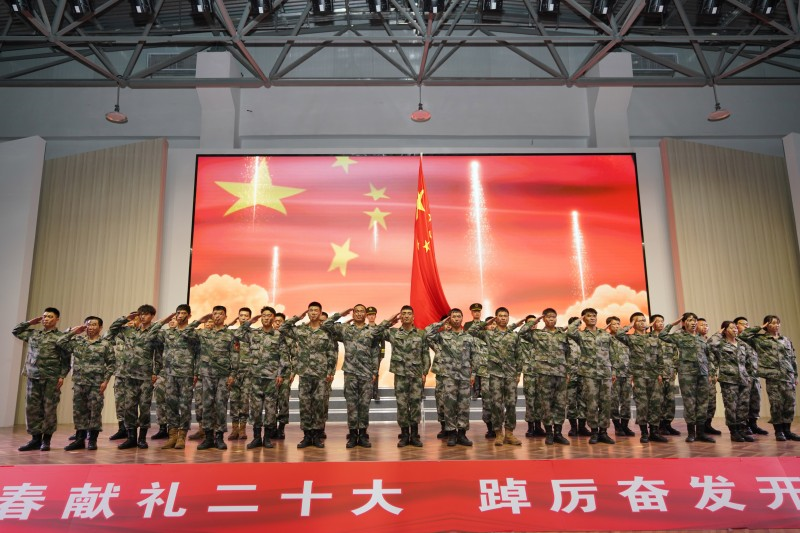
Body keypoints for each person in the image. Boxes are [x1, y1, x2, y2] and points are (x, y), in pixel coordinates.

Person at [323, 305, 386, 448]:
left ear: (366, 314)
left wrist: (374, 372)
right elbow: (326, 325)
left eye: (361, 311)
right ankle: (352, 435)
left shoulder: (371, 331)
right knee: (351, 406)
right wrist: (341, 314)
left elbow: (375, 352)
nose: (359, 314)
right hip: (350, 373)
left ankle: (362, 435)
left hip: (366, 373)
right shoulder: (346, 329)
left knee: (364, 405)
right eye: (356, 311)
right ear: (353, 314)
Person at [280, 302, 337, 449]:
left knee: (319, 405)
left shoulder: (326, 332)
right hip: (305, 373)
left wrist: (330, 372)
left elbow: (331, 352)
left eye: (316, 310)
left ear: (320, 313)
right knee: (305, 405)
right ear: (307, 313)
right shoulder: (300, 330)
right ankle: (306, 436)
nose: (313, 313)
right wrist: (297, 318)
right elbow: (282, 328)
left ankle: (317, 436)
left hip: (320, 374)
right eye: (310, 310)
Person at [13, 308, 70, 452]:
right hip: (33, 376)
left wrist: (62, 376)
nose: (46, 319)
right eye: (44, 316)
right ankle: (35, 439)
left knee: (49, 409)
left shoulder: (60, 337)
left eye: (50, 316)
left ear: (57, 319)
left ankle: (46, 440)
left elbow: (66, 360)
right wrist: (29, 323)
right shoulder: (34, 334)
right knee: (32, 409)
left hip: (51, 378)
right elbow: (16, 331)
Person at [107, 305, 163, 450]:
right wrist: (125, 318)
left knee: (144, 408)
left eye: (146, 314)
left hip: (145, 377)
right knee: (129, 408)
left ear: (152, 316)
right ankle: (131, 438)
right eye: (140, 314)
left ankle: (142, 439)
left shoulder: (155, 333)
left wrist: (155, 372)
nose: (142, 316)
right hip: (129, 376)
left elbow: (158, 355)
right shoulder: (129, 331)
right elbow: (111, 331)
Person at [57, 316, 114, 451]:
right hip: (79, 382)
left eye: (94, 325)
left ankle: (92, 440)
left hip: (96, 384)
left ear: (100, 327)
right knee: (79, 412)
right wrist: (73, 331)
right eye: (88, 324)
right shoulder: (78, 341)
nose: (91, 327)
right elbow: (60, 342)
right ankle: (79, 440)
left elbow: (111, 364)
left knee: (95, 412)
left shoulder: (105, 344)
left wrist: (105, 381)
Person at [467, 307, 522, 446]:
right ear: (496, 318)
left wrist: (518, 373)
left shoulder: (514, 336)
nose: (503, 318)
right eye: (500, 316)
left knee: (511, 404)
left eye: (505, 316)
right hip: (495, 375)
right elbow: (471, 331)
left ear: (508, 318)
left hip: (510, 374)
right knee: (496, 405)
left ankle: (509, 433)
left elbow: (519, 355)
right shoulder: (488, 334)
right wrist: (486, 323)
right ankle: (498, 433)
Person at [739, 315, 799, 441]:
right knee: (776, 404)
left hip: (788, 375)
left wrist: (795, 375)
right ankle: (779, 431)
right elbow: (743, 335)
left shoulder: (785, 340)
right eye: (773, 323)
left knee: (790, 404)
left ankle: (787, 431)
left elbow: (792, 358)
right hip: (773, 376)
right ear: (767, 325)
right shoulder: (759, 339)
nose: (776, 325)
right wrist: (760, 327)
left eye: (778, 323)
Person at [517, 309, 571, 445]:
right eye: (548, 317)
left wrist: (568, 371)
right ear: (544, 319)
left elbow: (568, 354)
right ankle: (549, 433)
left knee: (560, 404)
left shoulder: (563, 335)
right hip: (544, 374)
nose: (552, 319)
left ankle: (558, 433)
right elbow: (522, 332)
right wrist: (534, 321)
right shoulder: (537, 334)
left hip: (560, 374)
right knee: (546, 404)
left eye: (554, 317)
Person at [236, 306, 286, 449]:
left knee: (270, 409)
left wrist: (281, 374)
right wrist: (249, 322)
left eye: (269, 315)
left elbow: (283, 356)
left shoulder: (279, 335)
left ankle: (267, 438)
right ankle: (257, 438)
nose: (266, 318)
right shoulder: (254, 333)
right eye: (263, 315)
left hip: (271, 378)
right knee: (255, 410)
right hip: (255, 377)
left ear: (273, 318)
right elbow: (238, 334)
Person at [189, 306, 239, 451]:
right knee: (207, 406)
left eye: (220, 314)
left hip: (223, 376)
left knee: (221, 406)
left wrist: (233, 375)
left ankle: (219, 437)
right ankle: (208, 437)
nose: (217, 316)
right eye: (215, 314)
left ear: (225, 317)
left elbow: (235, 356)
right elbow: (186, 333)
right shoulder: (203, 333)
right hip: (206, 375)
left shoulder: (230, 335)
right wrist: (199, 321)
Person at [426, 309, 478, 447]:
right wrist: (441, 323)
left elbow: (474, 356)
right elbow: (427, 333)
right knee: (449, 405)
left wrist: (473, 374)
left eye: (458, 316)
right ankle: (452, 433)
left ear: (462, 318)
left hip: (464, 376)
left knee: (464, 405)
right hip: (449, 376)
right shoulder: (442, 336)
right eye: (453, 316)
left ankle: (462, 434)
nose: (456, 319)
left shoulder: (469, 337)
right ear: (450, 319)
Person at [660, 313, 714, 443]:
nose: (693, 322)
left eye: (695, 320)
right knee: (690, 403)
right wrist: (673, 323)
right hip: (687, 374)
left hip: (703, 374)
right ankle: (691, 433)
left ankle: (701, 433)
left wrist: (711, 373)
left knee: (703, 403)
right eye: (690, 320)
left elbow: (708, 356)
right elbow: (663, 335)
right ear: (684, 323)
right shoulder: (679, 336)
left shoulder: (701, 338)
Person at [381, 306, 430, 447]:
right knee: (402, 405)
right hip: (401, 375)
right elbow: (377, 331)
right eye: (404, 314)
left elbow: (425, 354)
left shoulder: (421, 334)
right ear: (401, 317)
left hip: (416, 375)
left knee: (415, 405)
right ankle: (404, 435)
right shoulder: (393, 333)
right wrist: (389, 320)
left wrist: (424, 372)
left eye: (409, 314)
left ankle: (414, 435)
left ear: (413, 317)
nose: (406, 316)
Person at [567, 308, 617, 445]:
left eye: (594, 315)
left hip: (605, 373)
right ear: (584, 318)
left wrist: (614, 371)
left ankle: (603, 432)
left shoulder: (605, 334)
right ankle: (594, 432)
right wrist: (579, 319)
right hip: (588, 374)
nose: (592, 318)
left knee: (606, 403)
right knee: (592, 404)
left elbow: (612, 353)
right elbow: (570, 331)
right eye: (589, 316)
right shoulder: (581, 335)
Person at [615, 313, 667, 443]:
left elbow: (660, 357)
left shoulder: (654, 338)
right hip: (639, 376)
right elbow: (619, 334)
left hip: (654, 375)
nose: (642, 322)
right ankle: (644, 433)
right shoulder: (631, 338)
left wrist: (660, 373)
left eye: (644, 320)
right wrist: (630, 325)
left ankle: (654, 432)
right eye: (639, 321)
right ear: (634, 323)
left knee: (655, 404)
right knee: (642, 404)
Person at [156, 305, 198, 450]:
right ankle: (172, 435)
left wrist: (196, 373)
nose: (180, 315)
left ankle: (181, 437)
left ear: (189, 315)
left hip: (186, 373)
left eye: (183, 313)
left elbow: (198, 353)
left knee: (185, 406)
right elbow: (151, 333)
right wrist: (165, 320)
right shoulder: (168, 333)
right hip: (169, 374)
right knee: (170, 405)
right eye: (178, 313)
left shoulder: (193, 334)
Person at [710, 321, 754, 442]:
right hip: (729, 380)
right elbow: (710, 344)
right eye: (731, 328)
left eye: (735, 328)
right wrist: (718, 333)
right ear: (725, 330)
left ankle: (742, 430)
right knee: (731, 407)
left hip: (744, 379)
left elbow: (751, 359)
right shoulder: (720, 344)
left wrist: (750, 375)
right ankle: (734, 432)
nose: (735, 330)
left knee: (743, 406)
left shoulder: (742, 344)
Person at [733, 316, 768, 435]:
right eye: (743, 324)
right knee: (744, 402)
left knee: (755, 401)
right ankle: (744, 425)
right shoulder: (737, 338)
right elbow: (745, 333)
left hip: (754, 375)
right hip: (743, 376)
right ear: (736, 326)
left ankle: (753, 424)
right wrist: (760, 327)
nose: (746, 326)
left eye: (747, 324)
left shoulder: (752, 340)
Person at [651, 314, 681, 436]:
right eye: (658, 321)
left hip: (669, 373)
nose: (661, 323)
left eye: (662, 321)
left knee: (670, 400)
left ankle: (667, 424)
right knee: (659, 400)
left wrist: (675, 369)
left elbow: (675, 355)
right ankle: (658, 426)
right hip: (656, 374)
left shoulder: (668, 338)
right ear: (652, 323)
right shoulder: (649, 338)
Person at [516, 315, 545, 438]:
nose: (533, 324)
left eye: (535, 322)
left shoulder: (542, 336)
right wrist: (518, 373)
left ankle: (538, 426)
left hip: (541, 373)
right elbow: (518, 357)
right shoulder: (521, 337)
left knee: (540, 401)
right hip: (529, 374)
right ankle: (530, 427)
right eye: (530, 323)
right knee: (530, 401)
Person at [228, 307, 253, 441]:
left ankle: (242, 429)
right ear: (238, 317)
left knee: (244, 401)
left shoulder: (254, 334)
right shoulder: (232, 333)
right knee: (233, 400)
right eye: (241, 315)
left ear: (250, 318)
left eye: (246, 316)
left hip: (248, 372)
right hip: (234, 372)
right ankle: (234, 429)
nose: (243, 318)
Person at [607, 316, 635, 438]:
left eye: (618, 324)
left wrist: (632, 372)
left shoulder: (625, 338)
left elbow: (632, 355)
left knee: (626, 401)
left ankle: (625, 425)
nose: (617, 326)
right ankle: (617, 426)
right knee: (614, 401)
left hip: (627, 373)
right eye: (614, 324)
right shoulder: (607, 338)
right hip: (614, 375)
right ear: (608, 326)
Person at [565, 317, 589, 437]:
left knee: (583, 401)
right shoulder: (565, 338)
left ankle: (582, 427)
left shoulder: (584, 338)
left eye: (579, 324)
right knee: (571, 401)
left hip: (584, 374)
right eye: (576, 325)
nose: (578, 327)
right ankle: (573, 427)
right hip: (570, 374)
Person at [697, 318, 722, 436]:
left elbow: (715, 359)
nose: (705, 327)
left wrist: (714, 373)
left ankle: (708, 425)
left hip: (711, 376)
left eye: (706, 325)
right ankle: (700, 428)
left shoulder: (710, 341)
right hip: (701, 376)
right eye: (702, 325)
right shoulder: (696, 341)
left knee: (711, 402)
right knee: (702, 403)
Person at [272, 312, 293, 440]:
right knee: (271, 402)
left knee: (283, 402)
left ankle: (281, 428)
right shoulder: (268, 337)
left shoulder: (289, 339)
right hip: (271, 375)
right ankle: (272, 427)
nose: (277, 323)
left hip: (285, 375)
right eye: (276, 321)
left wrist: (293, 373)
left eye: (280, 321)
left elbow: (295, 356)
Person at [464, 303, 483, 400]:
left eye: (478, 311)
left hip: (482, 350)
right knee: (473, 370)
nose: (477, 313)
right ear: (471, 312)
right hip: (471, 349)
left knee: (482, 370)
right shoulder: (467, 325)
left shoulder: (485, 324)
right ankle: (475, 391)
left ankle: (482, 390)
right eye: (475, 311)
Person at [366, 307, 385, 402]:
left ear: (375, 316)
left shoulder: (379, 329)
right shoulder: (364, 328)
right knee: (366, 373)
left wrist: (382, 355)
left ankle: (375, 393)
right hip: (365, 353)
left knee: (375, 373)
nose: (371, 316)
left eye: (373, 315)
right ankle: (367, 393)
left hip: (376, 353)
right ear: (367, 316)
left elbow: (383, 342)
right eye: (369, 315)